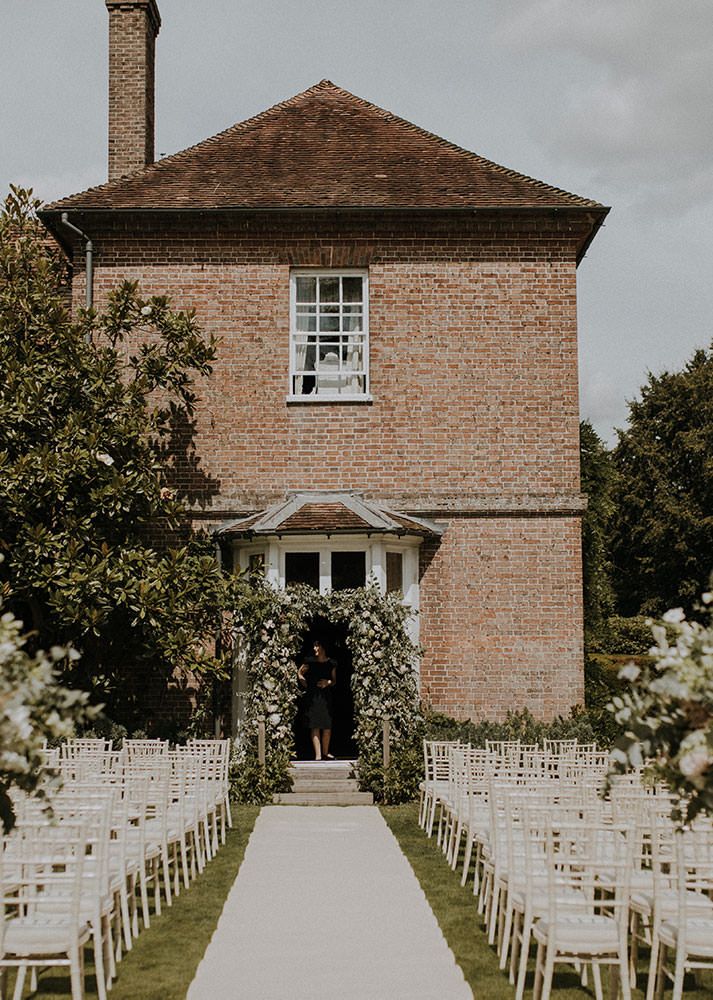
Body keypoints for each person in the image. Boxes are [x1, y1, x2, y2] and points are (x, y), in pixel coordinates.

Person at [297, 638, 337, 760]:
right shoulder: (309, 661)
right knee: (315, 725)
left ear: (323, 647)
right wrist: (306, 684)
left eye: (317, 646)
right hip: (313, 697)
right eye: (314, 646)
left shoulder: (332, 663)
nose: (315, 649)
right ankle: (318, 755)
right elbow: (300, 673)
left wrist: (328, 682)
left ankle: (325, 753)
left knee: (327, 726)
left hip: (325, 697)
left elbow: (335, 681)